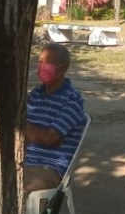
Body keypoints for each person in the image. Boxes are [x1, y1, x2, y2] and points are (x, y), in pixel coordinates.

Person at [24, 43, 86, 193]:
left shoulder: (72, 100)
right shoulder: (34, 95)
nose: (43, 67)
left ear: (63, 68)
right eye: (40, 62)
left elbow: (50, 138)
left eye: (49, 62)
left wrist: (24, 128)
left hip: (51, 168)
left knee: (12, 184)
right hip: (24, 162)